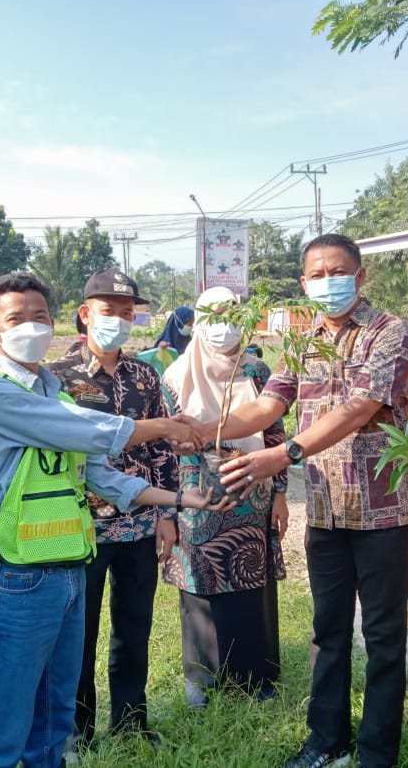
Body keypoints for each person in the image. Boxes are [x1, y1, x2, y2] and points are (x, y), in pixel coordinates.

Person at [0, 272, 228, 768]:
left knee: (52, 716)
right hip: (21, 575)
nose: (31, 327)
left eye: (40, 317)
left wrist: (181, 500)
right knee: (7, 721)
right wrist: (163, 426)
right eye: (16, 319)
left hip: (67, 567)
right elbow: (89, 429)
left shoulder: (51, 393)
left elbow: (105, 477)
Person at [210, 233, 408, 768]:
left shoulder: (391, 332)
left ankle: (377, 754)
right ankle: (326, 741)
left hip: (385, 512)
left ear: (360, 275)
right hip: (328, 511)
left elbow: (360, 406)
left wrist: (285, 456)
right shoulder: (302, 344)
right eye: (317, 274)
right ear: (304, 283)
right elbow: (267, 405)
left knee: (383, 636)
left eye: (338, 271)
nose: (329, 281)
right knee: (327, 630)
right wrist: (205, 428)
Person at [45, 268, 179, 754]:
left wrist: (168, 515)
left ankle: (130, 721)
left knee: (133, 627)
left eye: (127, 313)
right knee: (77, 634)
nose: (119, 321)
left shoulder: (145, 374)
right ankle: (76, 729)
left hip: (140, 524)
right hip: (81, 527)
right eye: (109, 312)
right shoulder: (59, 377)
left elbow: (163, 446)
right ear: (85, 315)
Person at [161, 286, 288, 710]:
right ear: (196, 321)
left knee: (252, 581)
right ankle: (201, 676)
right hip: (197, 496)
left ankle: (258, 675)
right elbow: (161, 448)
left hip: (253, 491)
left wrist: (282, 496)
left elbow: (274, 435)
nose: (223, 325)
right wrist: (169, 507)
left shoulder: (257, 371)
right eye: (212, 315)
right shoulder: (175, 375)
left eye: (232, 314)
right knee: (198, 581)